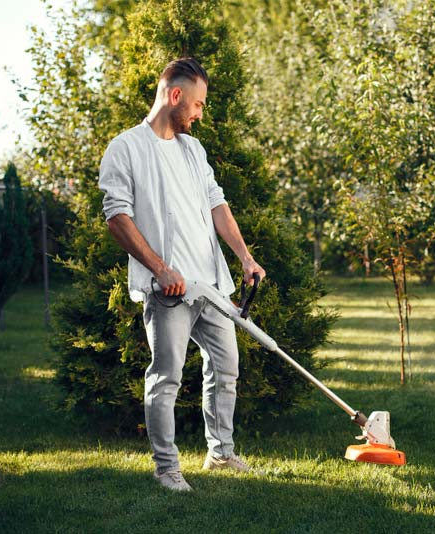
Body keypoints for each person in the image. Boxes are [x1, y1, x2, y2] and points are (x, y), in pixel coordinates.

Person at [98, 57, 266, 492]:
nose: (199, 113)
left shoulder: (194, 150)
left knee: (225, 368)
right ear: (175, 96)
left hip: (210, 286)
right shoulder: (126, 148)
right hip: (168, 289)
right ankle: (167, 468)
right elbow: (117, 216)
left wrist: (245, 257)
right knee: (166, 377)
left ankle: (221, 453)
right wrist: (160, 269)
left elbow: (217, 205)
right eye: (197, 104)